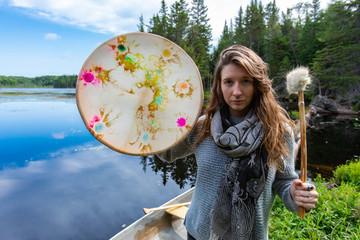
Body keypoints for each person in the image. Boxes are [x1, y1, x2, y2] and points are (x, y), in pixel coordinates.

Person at [158, 45, 318, 240]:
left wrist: (295, 194)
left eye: (245, 81)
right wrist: (149, 120)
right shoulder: (203, 127)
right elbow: (166, 152)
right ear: (219, 85)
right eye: (228, 82)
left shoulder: (278, 131)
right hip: (199, 233)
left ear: (257, 85)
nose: (236, 92)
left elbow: (284, 181)